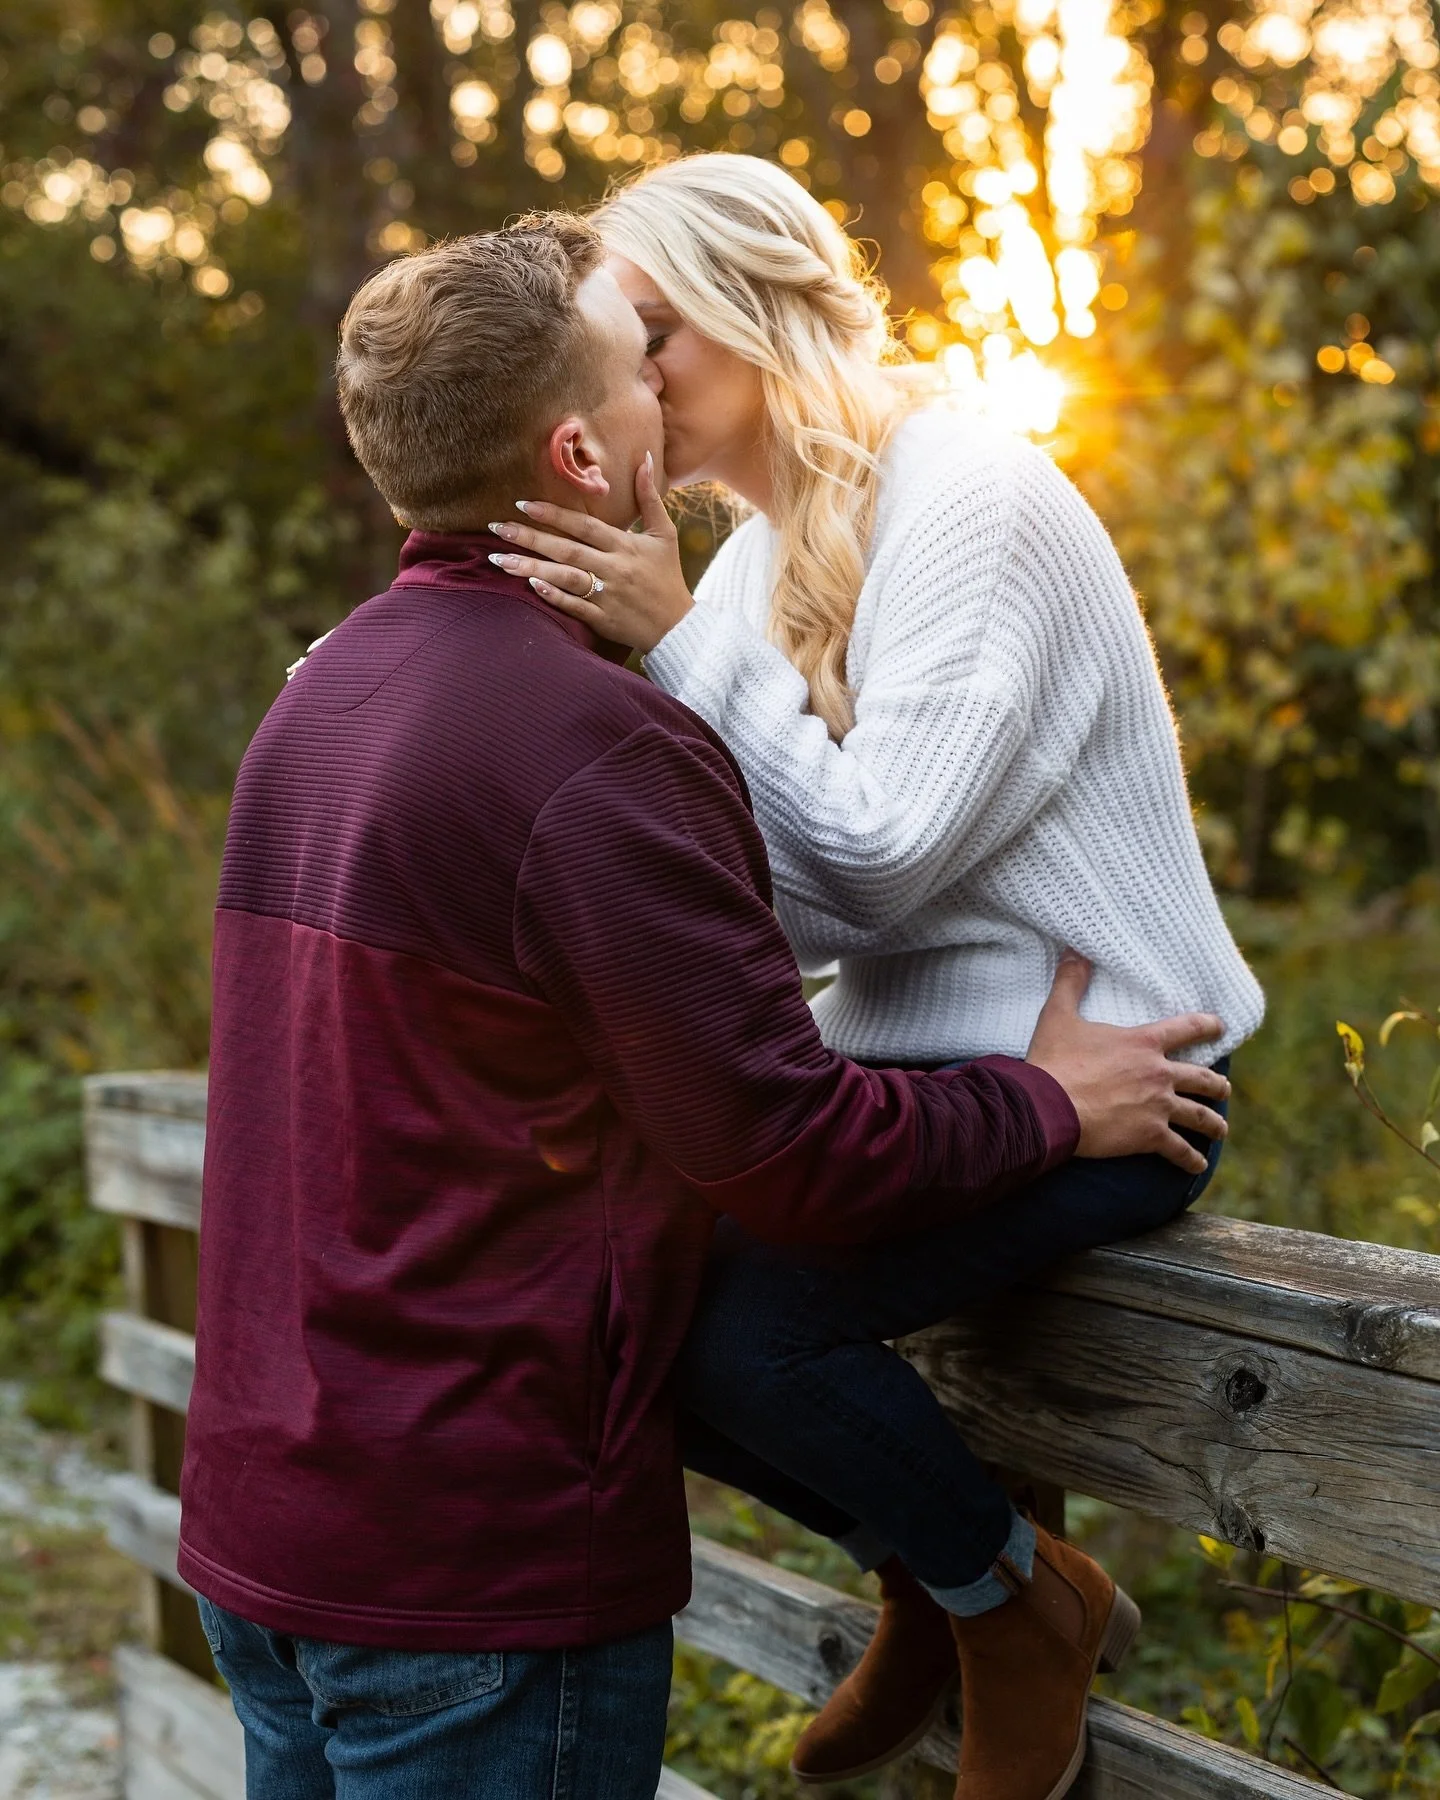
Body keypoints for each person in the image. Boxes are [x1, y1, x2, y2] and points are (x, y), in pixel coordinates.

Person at [178, 214, 1226, 1800]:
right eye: (636, 363)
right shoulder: (585, 744)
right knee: (737, 1321)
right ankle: (995, 1592)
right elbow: (787, 1145)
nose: (671, 399)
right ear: (585, 455)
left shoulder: (320, 696)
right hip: (473, 1578)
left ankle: (969, 1586)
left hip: (273, 1523)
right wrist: (1049, 1100)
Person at [486, 155, 1264, 1800]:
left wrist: (677, 640)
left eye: (648, 343)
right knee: (627, 1295)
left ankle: (1003, 1605)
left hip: (1125, 1076)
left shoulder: (968, 495)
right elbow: (799, 909)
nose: (627, 391)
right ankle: (958, 1571)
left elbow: (882, 856)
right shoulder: (770, 555)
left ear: (743, 309)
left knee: (735, 1339)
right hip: (940, 1071)